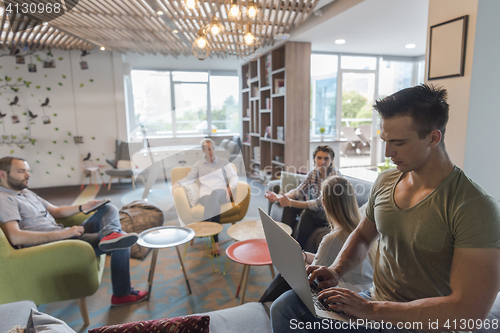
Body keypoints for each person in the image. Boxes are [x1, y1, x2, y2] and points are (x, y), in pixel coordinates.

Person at [270, 84, 500, 332]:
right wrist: (336, 270)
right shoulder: (386, 180)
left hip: (421, 322)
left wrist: (370, 310)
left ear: (434, 138)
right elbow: (362, 236)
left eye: (399, 143)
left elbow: (468, 313)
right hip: (374, 301)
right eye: (385, 141)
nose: (388, 152)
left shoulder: (475, 208)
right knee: (286, 308)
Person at [0, 156, 148, 306]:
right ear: (3, 175)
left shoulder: (25, 192)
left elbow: (56, 211)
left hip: (63, 234)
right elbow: (15, 237)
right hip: (53, 245)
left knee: (108, 208)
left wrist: (83, 207)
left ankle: (110, 235)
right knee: (121, 243)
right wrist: (63, 234)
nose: (28, 175)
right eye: (21, 171)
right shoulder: (4, 199)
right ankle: (122, 294)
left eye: (27, 171)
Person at [260, 176, 374, 303]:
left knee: (283, 278)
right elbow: (324, 261)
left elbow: (310, 276)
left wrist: (294, 262)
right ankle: (262, 305)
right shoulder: (361, 232)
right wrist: (302, 255)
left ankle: (261, 304)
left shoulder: (333, 239)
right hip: (366, 292)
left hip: (347, 297)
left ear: (323, 202)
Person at [265, 145, 341, 248]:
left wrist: (291, 202)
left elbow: (319, 204)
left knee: (308, 214)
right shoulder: (314, 173)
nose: (322, 162)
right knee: (288, 207)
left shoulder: (334, 176)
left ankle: (296, 248)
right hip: (319, 211)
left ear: (331, 160)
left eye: (326, 158)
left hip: (331, 214)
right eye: (319, 158)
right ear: (314, 159)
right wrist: (279, 197)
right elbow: (299, 191)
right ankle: (284, 242)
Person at [172, 138, 238, 256]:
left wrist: (231, 187)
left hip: (222, 193)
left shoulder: (224, 162)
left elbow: (234, 177)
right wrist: (178, 184)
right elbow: (189, 178)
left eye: (212, 148)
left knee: (216, 194)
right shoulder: (199, 165)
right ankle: (215, 242)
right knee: (214, 203)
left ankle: (204, 225)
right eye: (208, 149)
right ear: (203, 151)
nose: (211, 151)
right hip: (205, 196)